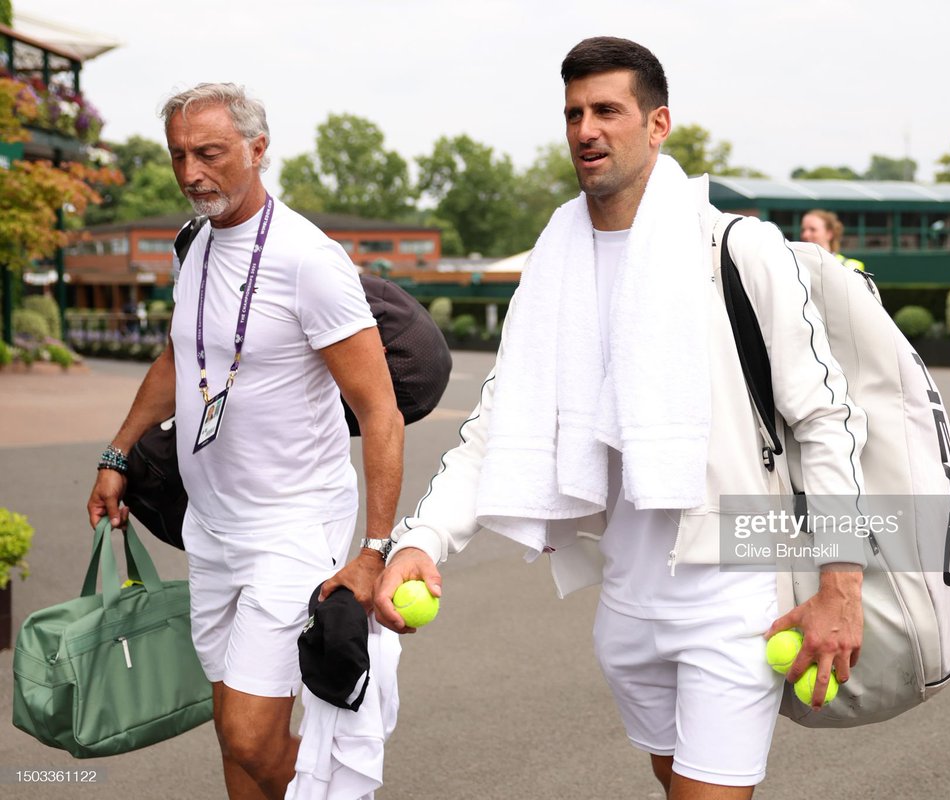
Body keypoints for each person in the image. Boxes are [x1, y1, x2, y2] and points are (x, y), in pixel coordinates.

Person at [373, 37, 867, 799]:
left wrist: (841, 585)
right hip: (627, 599)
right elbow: (499, 425)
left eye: (607, 110)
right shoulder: (554, 263)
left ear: (658, 123)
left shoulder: (739, 250)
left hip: (734, 590)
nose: (585, 130)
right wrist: (423, 538)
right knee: (675, 783)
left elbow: (826, 419)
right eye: (573, 113)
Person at [86, 83, 405, 799]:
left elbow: (379, 410)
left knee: (251, 736)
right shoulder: (194, 242)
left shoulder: (308, 260)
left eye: (210, 153)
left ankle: (342, 785)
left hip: (291, 528)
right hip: (214, 529)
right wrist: (117, 453)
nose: (192, 173)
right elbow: (179, 356)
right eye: (179, 156)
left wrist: (373, 551)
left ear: (258, 150)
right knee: (232, 732)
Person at [799, 208, 865, 271]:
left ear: (829, 233)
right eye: (803, 230)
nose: (805, 235)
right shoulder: (796, 262)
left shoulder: (850, 266)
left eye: (813, 230)